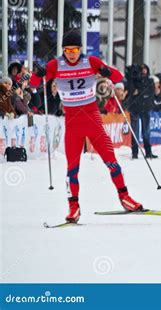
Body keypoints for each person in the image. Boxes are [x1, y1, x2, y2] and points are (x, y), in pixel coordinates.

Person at [30, 28, 143, 223]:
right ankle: (74, 207)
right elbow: (33, 83)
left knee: (111, 161)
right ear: (63, 50)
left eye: (75, 50)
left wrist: (107, 71)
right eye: (68, 51)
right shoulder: (56, 65)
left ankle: (125, 197)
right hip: (72, 124)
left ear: (81, 49)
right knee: (72, 168)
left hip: (93, 121)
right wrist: (38, 73)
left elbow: (117, 78)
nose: (71, 55)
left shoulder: (90, 61)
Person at [126, 63, 157, 159]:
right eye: (142, 69)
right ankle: (134, 153)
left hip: (146, 109)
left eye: (145, 69)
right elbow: (131, 91)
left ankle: (148, 152)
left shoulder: (150, 80)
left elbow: (151, 93)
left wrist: (139, 91)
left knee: (146, 131)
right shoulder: (133, 80)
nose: (144, 71)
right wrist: (131, 76)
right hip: (135, 108)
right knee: (134, 131)